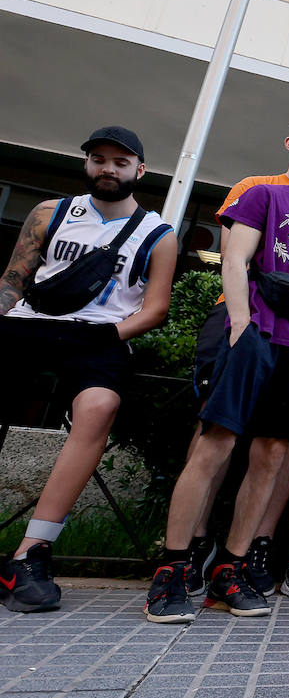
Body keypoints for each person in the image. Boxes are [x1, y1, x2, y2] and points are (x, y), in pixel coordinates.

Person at [144, 133, 289, 621]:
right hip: (257, 334)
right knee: (215, 444)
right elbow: (235, 258)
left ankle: (229, 570)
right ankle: (172, 569)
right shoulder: (265, 196)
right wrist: (241, 323)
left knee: (273, 454)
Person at [0, 127, 175, 614]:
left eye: (120, 162)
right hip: (30, 324)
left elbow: (154, 308)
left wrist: (108, 337)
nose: (107, 169)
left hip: (99, 334)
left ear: (139, 171)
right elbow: (14, 278)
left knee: (100, 406)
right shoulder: (50, 213)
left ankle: (30, 551)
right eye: (98, 159)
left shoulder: (158, 234)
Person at [187, 115, 289, 598]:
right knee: (215, 432)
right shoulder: (258, 188)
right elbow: (234, 257)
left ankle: (250, 551)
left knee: (281, 444)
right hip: (246, 320)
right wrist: (239, 322)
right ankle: (189, 549)